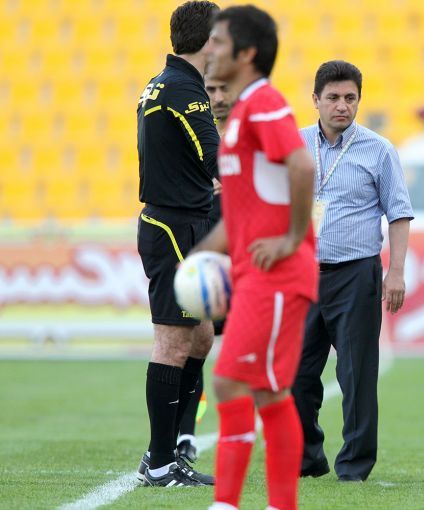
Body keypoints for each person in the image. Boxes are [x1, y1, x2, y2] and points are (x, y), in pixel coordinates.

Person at [192, 5, 317, 510]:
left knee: (229, 381)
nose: (211, 50)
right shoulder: (242, 112)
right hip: (253, 275)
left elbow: (302, 166)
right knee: (266, 392)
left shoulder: (263, 103)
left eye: (220, 42)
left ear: (246, 53)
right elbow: (242, 212)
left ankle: (227, 503)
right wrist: (202, 254)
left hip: (276, 275)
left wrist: (291, 239)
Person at [292, 60, 413, 482]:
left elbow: (399, 213)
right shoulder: (294, 145)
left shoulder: (379, 150)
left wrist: (396, 272)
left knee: (356, 375)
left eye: (350, 98)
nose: (342, 106)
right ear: (315, 100)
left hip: (356, 273)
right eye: (333, 98)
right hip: (301, 275)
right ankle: (307, 457)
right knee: (296, 374)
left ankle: (354, 466)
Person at [135, 0, 219, 487]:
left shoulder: (161, 83)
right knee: (172, 341)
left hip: (184, 221)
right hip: (173, 226)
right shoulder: (185, 90)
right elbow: (216, 157)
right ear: (209, 40)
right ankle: (161, 462)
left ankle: (164, 452)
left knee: (201, 336)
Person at [176, 74, 234, 463]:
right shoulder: (190, 136)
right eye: (210, 90)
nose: (217, 97)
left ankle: (266, 429)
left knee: (255, 355)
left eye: (223, 89)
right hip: (200, 264)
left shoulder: (250, 139)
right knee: (191, 349)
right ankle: (185, 434)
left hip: (246, 264)